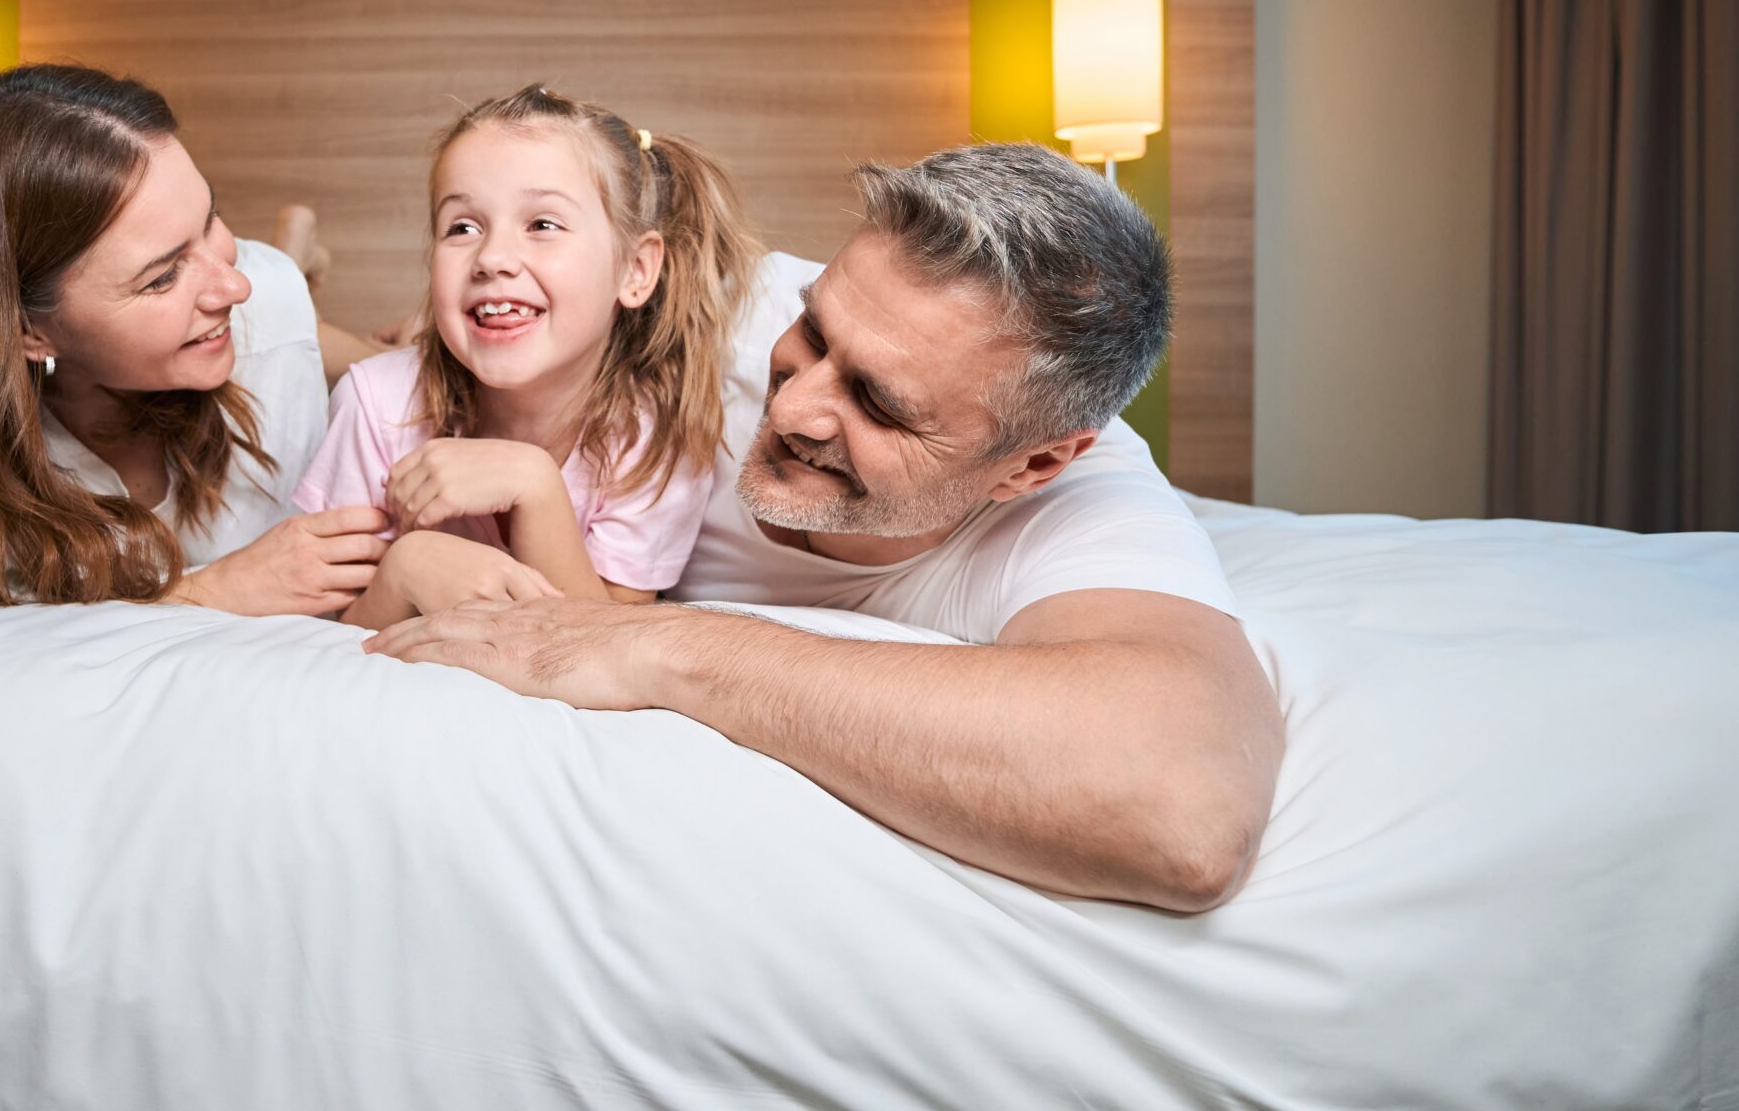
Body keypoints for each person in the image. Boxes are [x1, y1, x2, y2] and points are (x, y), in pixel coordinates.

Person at [367, 143, 1284, 913]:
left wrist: (663, 647)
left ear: (1032, 464)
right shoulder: (708, 314)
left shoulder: (1091, 501)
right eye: (812, 329)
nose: (794, 407)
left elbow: (1187, 806)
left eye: (880, 403)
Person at [0, 62, 390, 617]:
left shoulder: (262, 294)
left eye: (212, 217)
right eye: (161, 277)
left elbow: (353, 358)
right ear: (28, 331)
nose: (235, 284)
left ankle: (293, 255)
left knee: (276, 287)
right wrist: (208, 592)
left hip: (277, 301)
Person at [293, 84, 762, 627]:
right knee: (299, 343)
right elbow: (326, 633)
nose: (492, 257)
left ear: (635, 270)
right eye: (462, 227)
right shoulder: (374, 404)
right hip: (407, 375)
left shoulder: (658, 439)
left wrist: (534, 483)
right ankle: (290, 274)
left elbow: (610, 639)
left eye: (542, 225)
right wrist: (406, 569)